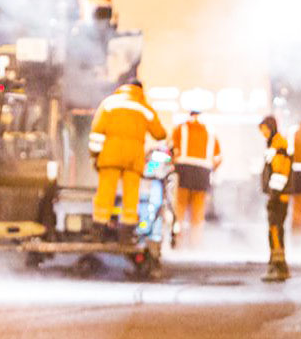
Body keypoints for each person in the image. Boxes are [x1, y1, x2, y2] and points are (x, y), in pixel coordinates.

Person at [89, 80, 167, 244]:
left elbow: (96, 132)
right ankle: (126, 233)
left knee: (105, 193)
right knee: (131, 195)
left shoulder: (109, 103)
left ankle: (98, 231)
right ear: (140, 90)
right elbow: (160, 134)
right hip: (134, 159)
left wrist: (95, 155)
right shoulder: (144, 107)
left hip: (110, 156)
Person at [169, 109, 222, 248]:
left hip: (183, 172)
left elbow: (171, 150)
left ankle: (177, 243)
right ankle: (195, 244)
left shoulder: (180, 129)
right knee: (198, 212)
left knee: (179, 209)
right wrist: (211, 169)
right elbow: (218, 158)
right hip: (203, 174)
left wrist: (172, 164)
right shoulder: (210, 133)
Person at [259, 114, 292, 282]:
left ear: (270, 128)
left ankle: (278, 266)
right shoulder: (277, 143)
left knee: (275, 229)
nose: (263, 134)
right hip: (280, 194)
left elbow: (280, 171)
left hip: (278, 195)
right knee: (277, 228)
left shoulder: (278, 145)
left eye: (264, 130)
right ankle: (279, 265)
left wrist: (274, 195)